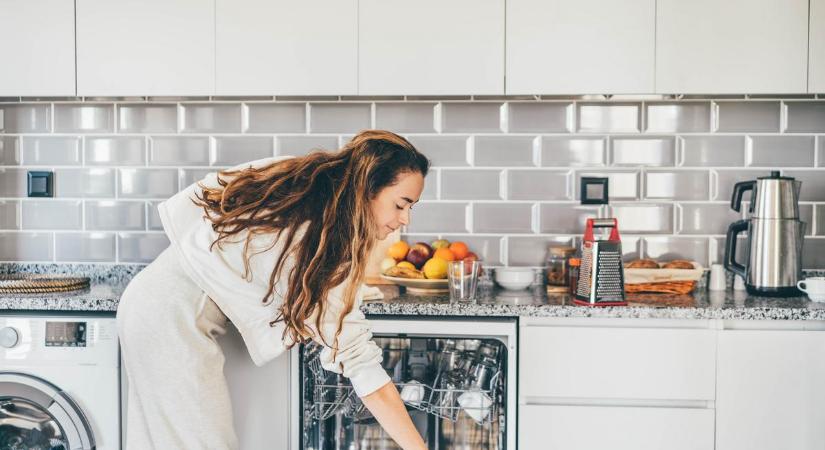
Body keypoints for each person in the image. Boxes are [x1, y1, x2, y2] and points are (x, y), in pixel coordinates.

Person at [116, 130, 429, 449]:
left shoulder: (305, 180)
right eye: (401, 204)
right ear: (368, 187)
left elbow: (209, 196)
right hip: (170, 318)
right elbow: (362, 367)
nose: (405, 219)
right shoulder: (324, 237)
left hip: (154, 300)